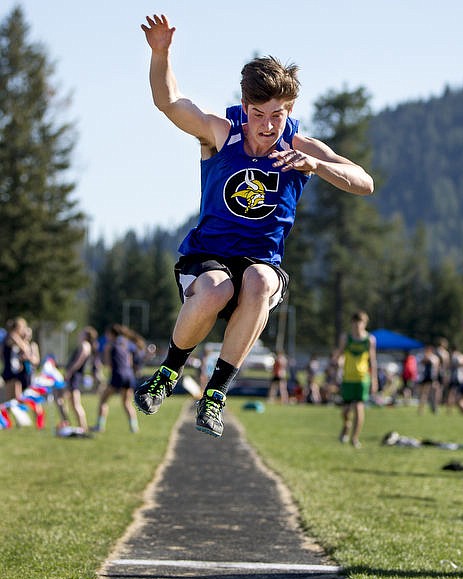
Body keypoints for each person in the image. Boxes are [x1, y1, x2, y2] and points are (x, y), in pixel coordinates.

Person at [135, 13, 374, 438]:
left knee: (259, 282)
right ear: (244, 107)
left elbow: (364, 182)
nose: (267, 126)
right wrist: (161, 53)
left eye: (277, 115)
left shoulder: (300, 146)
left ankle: (215, 395)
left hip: (261, 261)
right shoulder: (220, 133)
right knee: (216, 289)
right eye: (258, 114)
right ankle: (169, 372)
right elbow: (169, 102)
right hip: (208, 255)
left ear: (291, 110)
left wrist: (317, 166)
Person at [332, 311, 378, 448]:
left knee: (359, 407)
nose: (357, 326)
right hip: (348, 378)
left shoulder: (369, 340)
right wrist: (337, 363)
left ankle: (355, 438)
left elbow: (373, 361)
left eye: (360, 323)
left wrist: (374, 380)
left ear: (365, 324)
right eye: (355, 323)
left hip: (362, 379)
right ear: (352, 324)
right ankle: (346, 426)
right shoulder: (346, 338)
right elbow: (339, 354)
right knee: (345, 411)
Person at [92, 324, 139, 433]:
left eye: (107, 334)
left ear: (111, 334)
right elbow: (130, 361)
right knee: (127, 403)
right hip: (129, 375)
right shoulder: (126, 343)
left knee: (103, 400)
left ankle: (100, 426)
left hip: (118, 375)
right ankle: (134, 427)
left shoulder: (109, 345)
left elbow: (108, 364)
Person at [57, 326, 98, 432]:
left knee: (74, 403)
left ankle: (82, 427)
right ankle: (72, 424)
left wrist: (70, 372)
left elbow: (79, 361)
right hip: (74, 376)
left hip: (74, 376)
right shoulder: (86, 345)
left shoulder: (85, 345)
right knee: (67, 401)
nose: (79, 334)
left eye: (82, 333)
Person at [1, 317, 37, 401]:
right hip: (9, 371)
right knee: (11, 400)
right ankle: (6, 413)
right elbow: (25, 348)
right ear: (18, 327)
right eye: (23, 328)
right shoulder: (13, 335)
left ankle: (11, 413)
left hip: (14, 371)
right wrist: (25, 340)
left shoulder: (12, 336)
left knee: (16, 399)